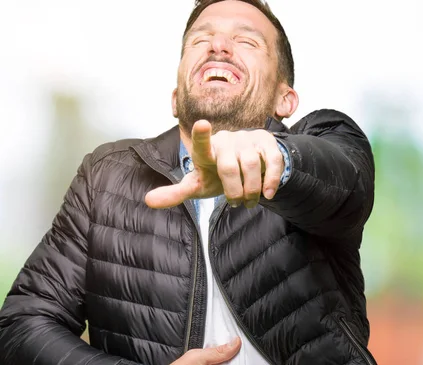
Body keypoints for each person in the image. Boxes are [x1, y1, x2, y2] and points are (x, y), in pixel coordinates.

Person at [0, 0, 377, 364]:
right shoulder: (106, 176)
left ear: (286, 99)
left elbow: (347, 187)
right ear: (177, 99)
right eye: (200, 39)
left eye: (246, 40)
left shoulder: (328, 138)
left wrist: (274, 158)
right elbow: (22, 326)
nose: (218, 46)